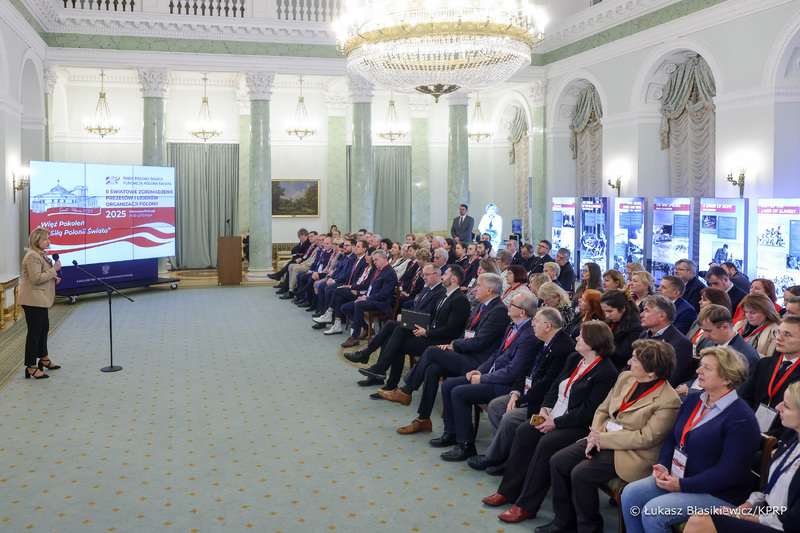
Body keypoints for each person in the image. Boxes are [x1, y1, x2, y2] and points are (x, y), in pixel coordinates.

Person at [479, 321, 618, 524]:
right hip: (555, 415)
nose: (576, 338)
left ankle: (526, 505)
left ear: (594, 342)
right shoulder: (575, 358)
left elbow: (588, 412)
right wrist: (545, 408)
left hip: (578, 425)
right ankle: (507, 491)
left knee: (547, 442)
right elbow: (555, 387)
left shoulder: (606, 372)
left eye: (581, 336)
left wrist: (556, 423)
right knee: (525, 430)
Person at [620, 346, 761, 533]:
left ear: (727, 378)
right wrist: (663, 465)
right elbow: (673, 437)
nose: (698, 370)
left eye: (707, 368)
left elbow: (730, 472)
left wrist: (682, 485)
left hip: (718, 493)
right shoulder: (695, 400)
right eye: (701, 365)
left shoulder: (741, 418)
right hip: (681, 478)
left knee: (654, 511)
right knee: (630, 494)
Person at [545, 340, 681, 533]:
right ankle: (564, 522)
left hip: (632, 453)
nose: (629, 361)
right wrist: (596, 435)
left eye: (635, 359)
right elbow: (602, 409)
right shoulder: (626, 377)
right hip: (602, 437)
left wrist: (602, 439)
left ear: (651, 371)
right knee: (558, 461)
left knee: (581, 473)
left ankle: (590, 529)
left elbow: (646, 438)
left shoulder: (669, 400)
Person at [380, 274, 509, 435]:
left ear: (489, 290)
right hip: (466, 353)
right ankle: (423, 419)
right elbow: (466, 333)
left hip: (478, 363)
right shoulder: (481, 306)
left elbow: (479, 342)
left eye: (478, 286)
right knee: (432, 369)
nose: (475, 289)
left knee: (432, 351)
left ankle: (406, 391)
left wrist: (454, 345)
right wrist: (453, 344)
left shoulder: (498, 311)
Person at [432, 291, 539, 461]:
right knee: (447, 385)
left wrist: (482, 378)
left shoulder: (528, 335)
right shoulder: (512, 326)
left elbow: (513, 371)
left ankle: (466, 445)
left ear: (522, 312)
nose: (508, 305)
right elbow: (497, 354)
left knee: (459, 393)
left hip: (504, 385)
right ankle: (451, 433)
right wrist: (480, 370)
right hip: (491, 376)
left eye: (512, 304)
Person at [468, 307, 575, 474]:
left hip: (542, 402)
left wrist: (520, 402)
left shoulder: (563, 348)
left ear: (548, 326)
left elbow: (547, 384)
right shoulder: (541, 341)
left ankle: (494, 457)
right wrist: (515, 394)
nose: (532, 324)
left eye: (536, 321)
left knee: (509, 417)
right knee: (496, 406)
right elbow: (524, 370)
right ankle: (505, 454)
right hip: (526, 393)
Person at [684, 381, 800, 533]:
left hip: (784, 526)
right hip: (768, 514)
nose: (778, 407)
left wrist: (743, 517)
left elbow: (793, 520)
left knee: (699, 522)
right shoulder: (792, 436)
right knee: (701, 518)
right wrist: (747, 506)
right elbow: (772, 489)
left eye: (787, 406)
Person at [356, 266, 472, 394]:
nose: (442, 276)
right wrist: (422, 329)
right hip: (431, 334)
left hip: (441, 341)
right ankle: (382, 374)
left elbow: (451, 330)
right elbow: (431, 318)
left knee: (397, 342)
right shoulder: (446, 295)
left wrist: (426, 332)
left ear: (454, 279)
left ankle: (385, 377)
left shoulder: (460, 299)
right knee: (395, 333)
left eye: (445, 274)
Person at [344, 262, 445, 371]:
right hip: (415, 323)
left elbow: (426, 313)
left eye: (427, 275)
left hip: (422, 328)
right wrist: (405, 314)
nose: (424, 277)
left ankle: (369, 358)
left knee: (392, 328)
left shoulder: (440, 292)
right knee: (389, 333)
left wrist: (405, 317)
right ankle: (377, 370)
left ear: (437, 275)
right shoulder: (427, 289)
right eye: (423, 275)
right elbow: (416, 308)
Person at [740, 316, 800, 437]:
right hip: (750, 426)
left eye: (787, 335)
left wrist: (768, 437)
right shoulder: (765, 363)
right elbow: (748, 397)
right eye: (778, 332)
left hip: (780, 437)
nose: (778, 338)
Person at [19, 227, 62, 379]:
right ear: (37, 241)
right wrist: (54, 270)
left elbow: (41, 274)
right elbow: (36, 278)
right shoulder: (32, 256)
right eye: (46, 239)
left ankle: (44, 358)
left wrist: (52, 277)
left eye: (49, 238)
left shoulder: (39, 254)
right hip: (33, 300)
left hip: (40, 299)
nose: (49, 241)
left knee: (43, 329)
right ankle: (31, 366)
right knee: (35, 333)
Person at [338, 249, 399, 348]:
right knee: (345, 308)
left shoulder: (389, 273)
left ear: (384, 258)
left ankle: (354, 337)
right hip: (372, 299)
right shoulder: (378, 270)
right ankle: (367, 328)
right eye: (373, 260)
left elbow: (384, 294)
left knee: (359, 304)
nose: (374, 262)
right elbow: (371, 288)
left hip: (382, 302)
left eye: (376, 260)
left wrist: (367, 299)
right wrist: (364, 296)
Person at [639, 294, 695, 387]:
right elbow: (629, 365)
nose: (641, 314)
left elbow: (670, 380)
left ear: (661, 316)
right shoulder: (644, 334)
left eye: (646, 310)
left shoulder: (680, 343)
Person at [600, 289, 645, 369]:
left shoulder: (635, 327)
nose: (607, 316)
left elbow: (621, 356)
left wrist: (604, 334)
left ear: (623, 309)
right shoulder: (611, 322)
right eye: (605, 311)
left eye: (610, 311)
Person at [734, 293, 781, 359]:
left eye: (752, 312)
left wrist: (744, 351)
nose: (748, 316)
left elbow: (769, 360)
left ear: (766, 312)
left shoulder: (775, 330)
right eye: (746, 312)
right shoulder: (740, 324)